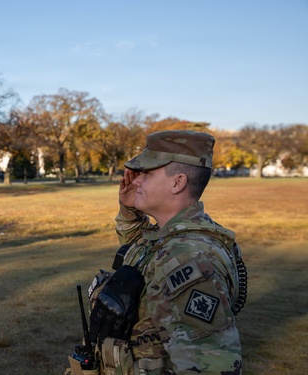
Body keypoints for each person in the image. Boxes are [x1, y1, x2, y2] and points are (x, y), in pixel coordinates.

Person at [67, 130, 246, 375]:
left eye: (147, 173)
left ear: (177, 182)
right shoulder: (169, 239)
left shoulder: (188, 260)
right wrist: (130, 210)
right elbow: (140, 257)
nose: (136, 180)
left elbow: (210, 366)